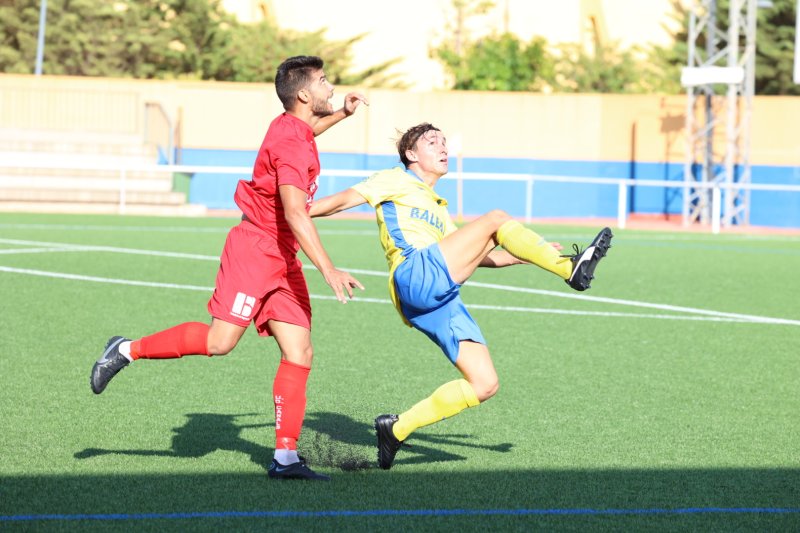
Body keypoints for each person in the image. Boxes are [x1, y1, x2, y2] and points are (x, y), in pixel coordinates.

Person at [89, 56, 368, 481]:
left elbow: (309, 130)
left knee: (300, 351)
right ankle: (126, 349)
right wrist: (328, 268)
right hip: (257, 250)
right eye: (325, 83)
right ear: (305, 95)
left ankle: (286, 458)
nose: (331, 88)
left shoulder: (290, 125)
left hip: (281, 256)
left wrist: (343, 115)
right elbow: (296, 213)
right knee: (220, 343)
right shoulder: (290, 141)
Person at [309, 122, 613, 470]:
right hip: (415, 274)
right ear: (411, 154)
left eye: (444, 142)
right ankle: (567, 269)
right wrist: (292, 213)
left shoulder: (438, 208)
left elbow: (478, 257)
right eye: (432, 142)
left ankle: (395, 428)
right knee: (496, 218)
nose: (443, 148)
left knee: (485, 383)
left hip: (439, 295)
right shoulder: (395, 178)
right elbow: (340, 201)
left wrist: (525, 254)